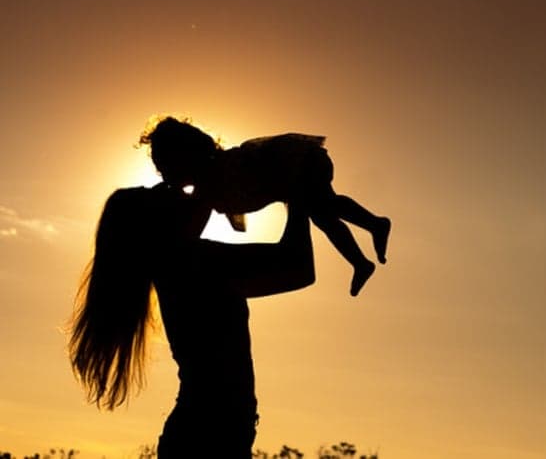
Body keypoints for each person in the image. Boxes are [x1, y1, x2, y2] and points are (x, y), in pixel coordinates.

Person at [69, 182, 315, 458]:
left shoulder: (178, 265)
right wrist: (297, 191)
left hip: (202, 431)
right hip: (212, 436)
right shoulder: (195, 262)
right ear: (160, 222)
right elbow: (298, 267)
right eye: (162, 197)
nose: (171, 190)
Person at [139, 116, 391, 297]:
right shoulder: (210, 179)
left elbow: (190, 232)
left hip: (298, 162)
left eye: (165, 168)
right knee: (324, 212)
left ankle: (371, 235)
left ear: (184, 159)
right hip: (296, 163)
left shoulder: (210, 179)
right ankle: (366, 247)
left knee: (324, 210)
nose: (164, 177)